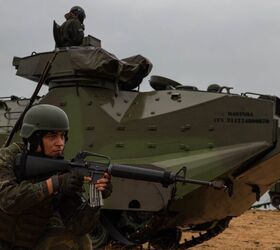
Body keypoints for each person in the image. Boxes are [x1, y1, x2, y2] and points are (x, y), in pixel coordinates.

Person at [0, 104, 112, 249]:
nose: (60, 143)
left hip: (27, 242)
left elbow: (77, 227)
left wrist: (96, 198)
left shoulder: (61, 169)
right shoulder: (6, 158)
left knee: (79, 242)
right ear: (33, 138)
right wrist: (55, 183)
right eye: (52, 136)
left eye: (62, 136)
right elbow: (7, 201)